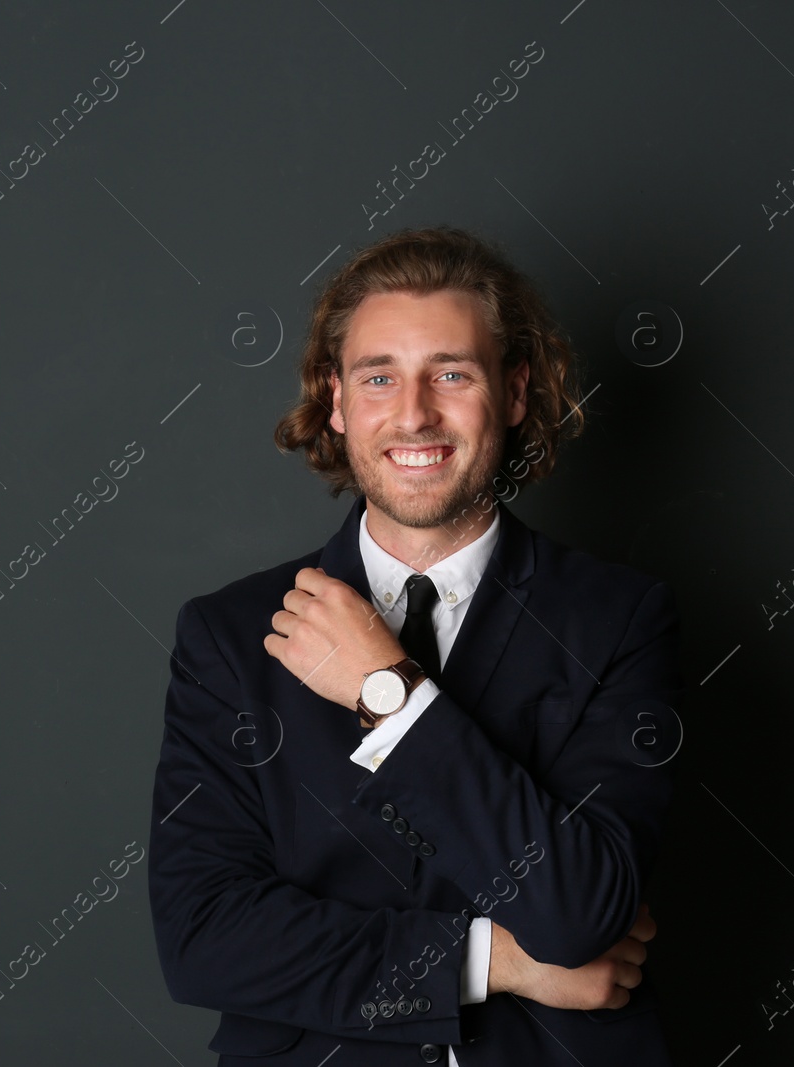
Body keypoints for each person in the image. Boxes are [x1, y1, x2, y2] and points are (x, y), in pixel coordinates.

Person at [147, 225, 682, 1065]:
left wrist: (386, 687)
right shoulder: (228, 638)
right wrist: (493, 960)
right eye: (379, 377)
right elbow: (205, 937)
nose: (413, 413)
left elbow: (579, 912)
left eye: (452, 374)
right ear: (335, 400)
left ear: (512, 392)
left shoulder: (618, 618)